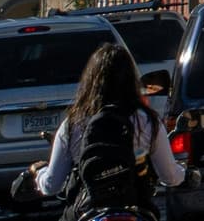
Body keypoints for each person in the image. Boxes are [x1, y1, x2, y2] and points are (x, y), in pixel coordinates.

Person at [34, 43, 178, 217]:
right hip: (136, 208)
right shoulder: (147, 121)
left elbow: (52, 185)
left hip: (87, 210)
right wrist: (184, 172)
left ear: (91, 81)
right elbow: (170, 176)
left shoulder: (73, 124)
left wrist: (39, 173)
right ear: (131, 80)